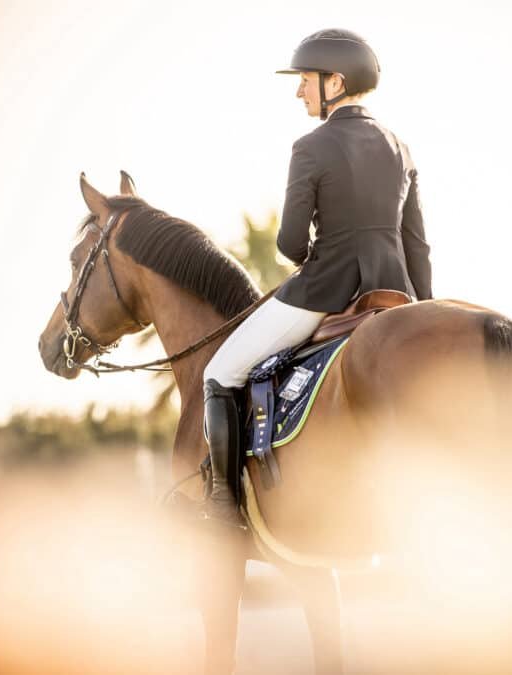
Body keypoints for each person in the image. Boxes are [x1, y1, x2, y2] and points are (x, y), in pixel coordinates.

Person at [200, 29, 433, 526]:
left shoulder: (310, 145)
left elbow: (290, 242)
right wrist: (423, 309)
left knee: (219, 373)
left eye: (305, 80)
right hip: (397, 293)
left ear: (335, 82)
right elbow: (417, 245)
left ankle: (222, 508)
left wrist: (311, 255)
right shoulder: (400, 147)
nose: (299, 91)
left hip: (325, 290)